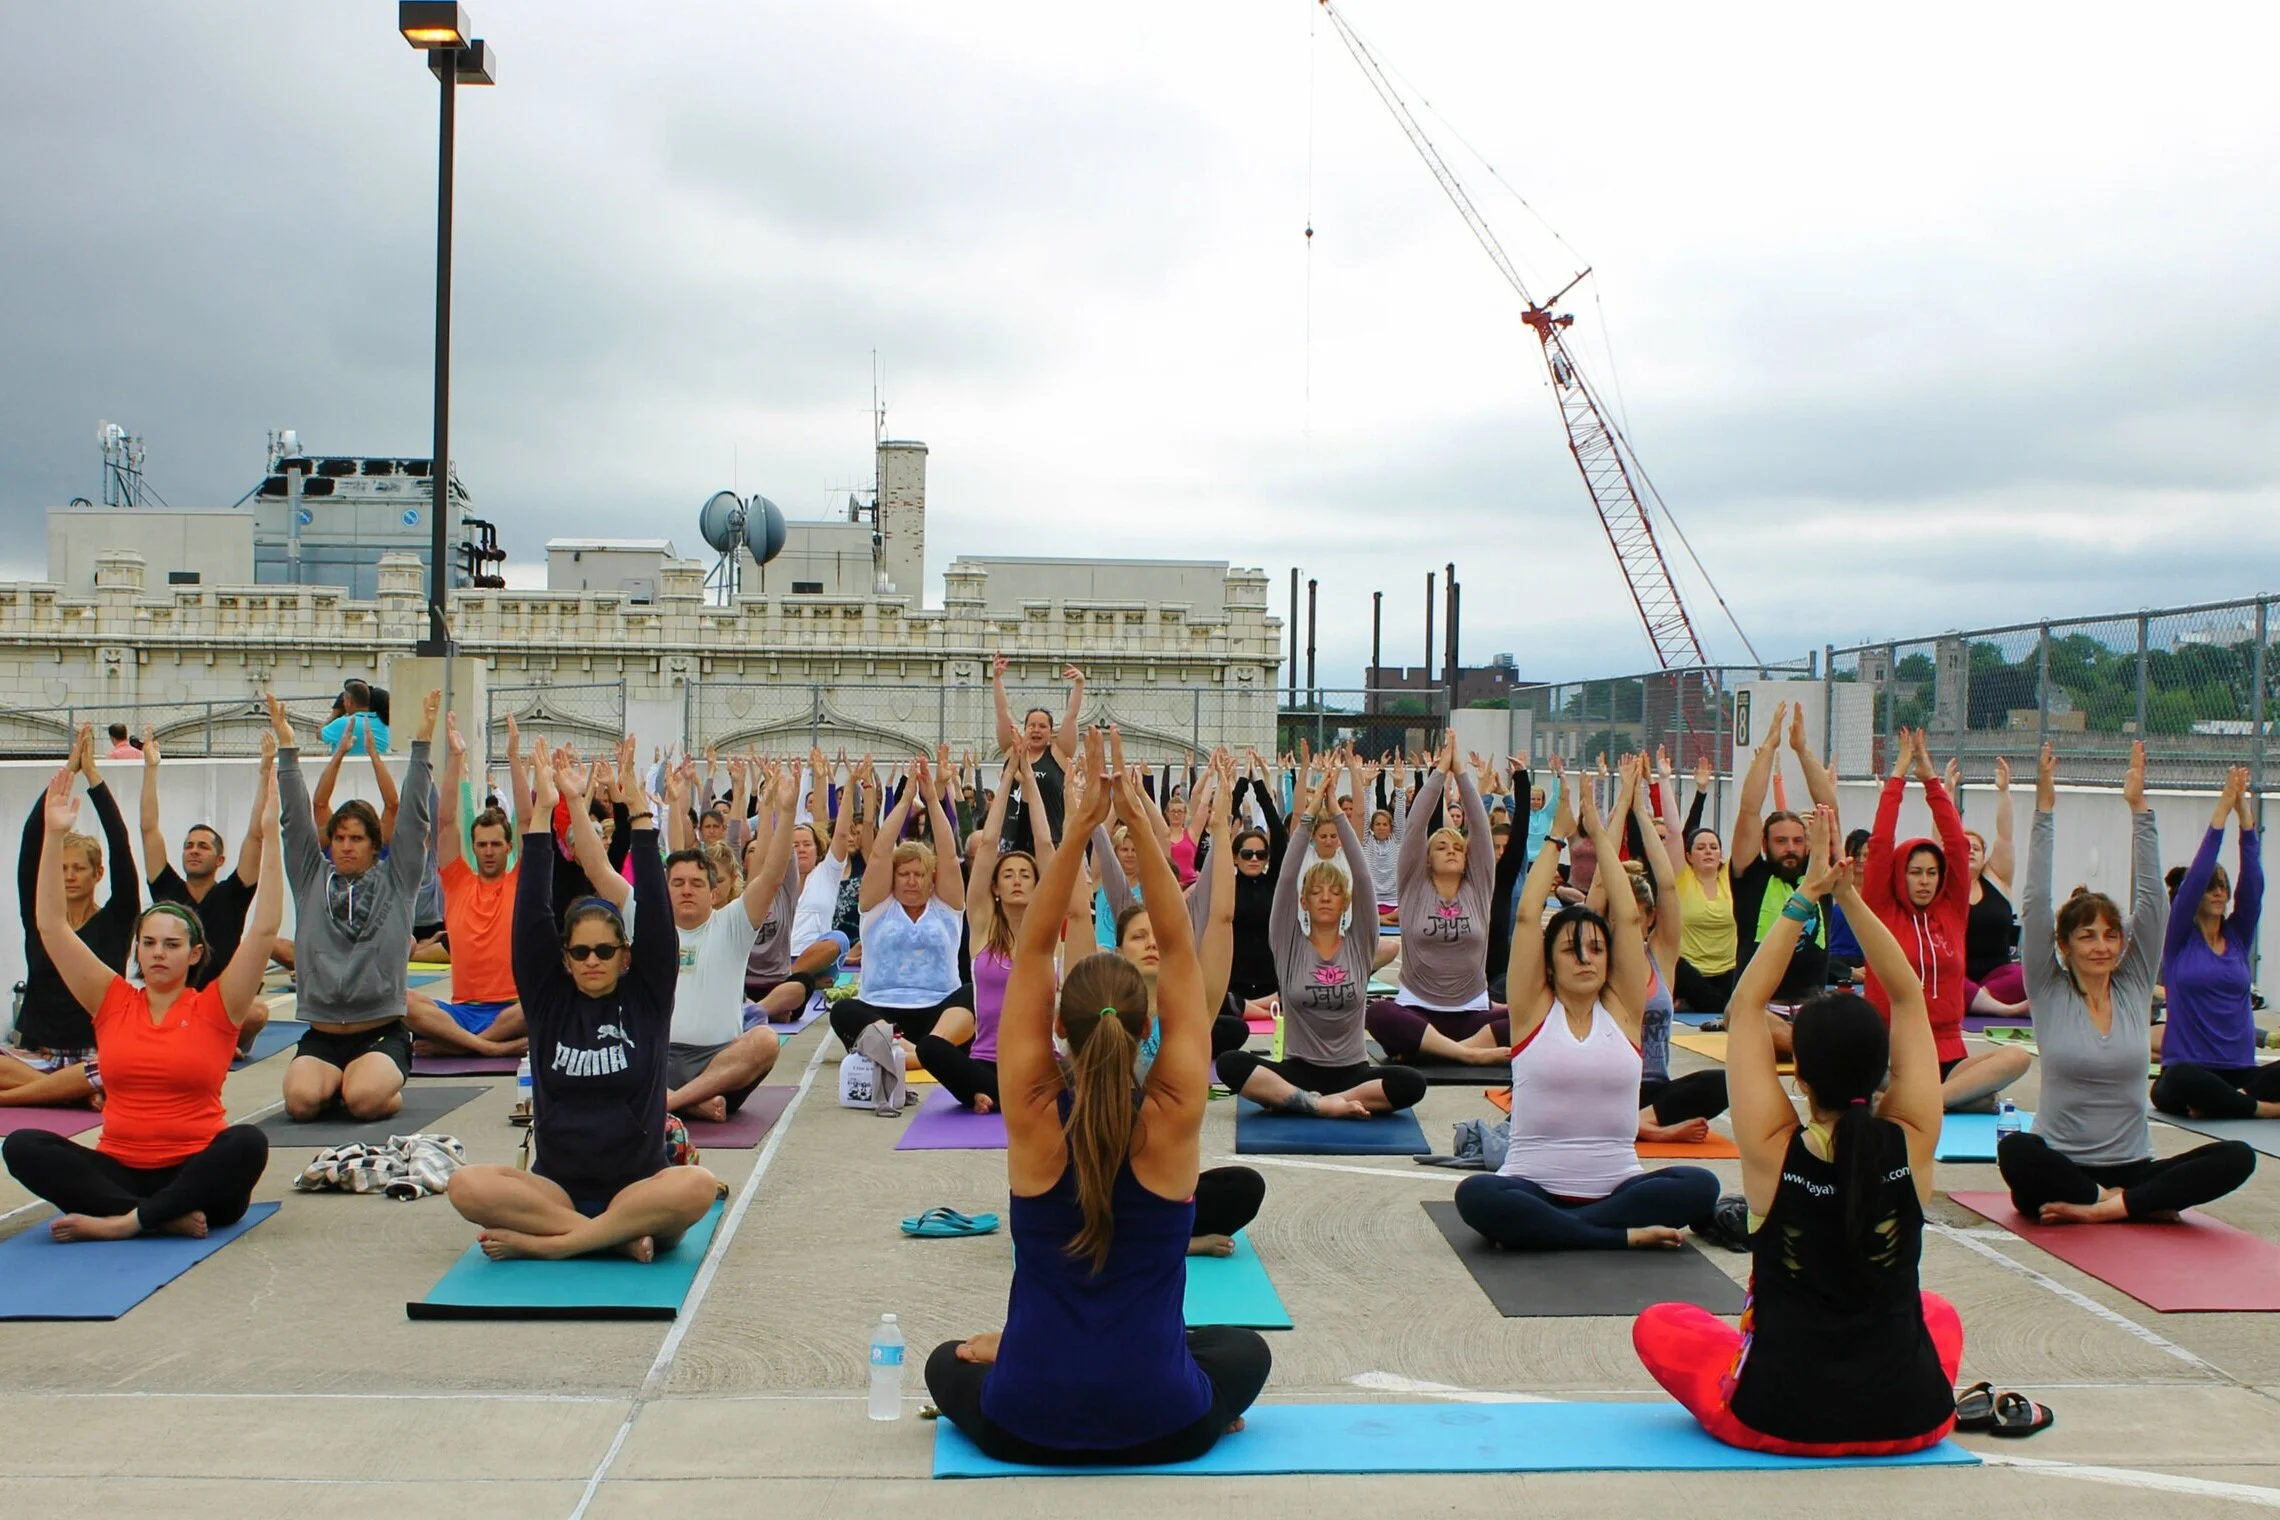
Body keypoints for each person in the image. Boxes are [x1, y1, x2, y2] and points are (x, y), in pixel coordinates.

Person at [926, 728, 1270, 1466]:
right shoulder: (1176, 1112)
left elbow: (1035, 948)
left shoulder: (1029, 1106)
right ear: (1150, 1024)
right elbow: (1180, 950)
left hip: (1028, 1418)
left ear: (1059, 1025)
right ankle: (1179, 1389)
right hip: (1160, 1418)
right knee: (1241, 1352)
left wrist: (1078, 830)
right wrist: (1143, 831)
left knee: (946, 1359)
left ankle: (1021, 1347)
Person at [1634, 803, 1966, 1455]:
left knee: (1662, 1324)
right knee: (1939, 1315)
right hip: (1911, 1418)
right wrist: (1848, 898)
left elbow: (1745, 1004)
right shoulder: (1913, 1133)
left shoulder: (1772, 1149)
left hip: (1776, 1418)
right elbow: (1904, 995)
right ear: (1882, 1075)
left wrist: (1805, 901)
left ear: (1800, 1079)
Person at [442, 750, 719, 1262]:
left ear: (625, 956)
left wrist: (640, 815)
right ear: (565, 958)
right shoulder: (549, 1000)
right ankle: (611, 1239)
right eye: (580, 951)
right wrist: (543, 814)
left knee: (697, 1185)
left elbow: (657, 917)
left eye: (605, 951)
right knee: (466, 1185)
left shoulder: (648, 996)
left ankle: (558, 1245)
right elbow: (531, 917)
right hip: (557, 1191)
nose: (593, 960)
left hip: (637, 1188)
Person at [3, 761, 279, 1241]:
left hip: (199, 1172)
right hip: (120, 1171)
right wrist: (52, 835)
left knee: (247, 1143)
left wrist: (272, 835)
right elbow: (50, 925)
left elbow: (265, 927)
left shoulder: (218, 1005)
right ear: (137, 948)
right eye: (148, 943)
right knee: (24, 1145)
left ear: (194, 954)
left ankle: (127, 1222)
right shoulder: (112, 1000)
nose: (157, 954)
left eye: (171, 945)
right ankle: (155, 1215)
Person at [1453, 759, 1719, 1250]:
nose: (1585, 958)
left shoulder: (1623, 1014)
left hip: (1617, 1188)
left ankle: (1574, 1233)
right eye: (1571, 950)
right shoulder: (1533, 1010)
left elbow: (1628, 917)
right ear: (1549, 965)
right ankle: (1613, 1237)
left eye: (1596, 949)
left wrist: (1600, 831)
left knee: (1702, 1186)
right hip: (1531, 1187)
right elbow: (1530, 916)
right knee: (1477, 1194)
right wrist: (1556, 837)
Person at [1998, 742, 2255, 1222]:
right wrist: (2045, 809)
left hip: (2136, 1168)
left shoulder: (2134, 985)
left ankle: (2108, 1207)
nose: (2102, 946)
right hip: (2064, 1167)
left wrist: (2140, 809)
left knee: (2238, 1156)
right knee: (2016, 1152)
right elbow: (2034, 902)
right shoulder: (2050, 989)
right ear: (2065, 946)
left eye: (2111, 935)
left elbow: (2154, 903)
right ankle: (2107, 1201)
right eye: (2088, 936)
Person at [1217, 748, 1426, 1119]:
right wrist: (1311, 814)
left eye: (1333, 892)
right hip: (1299, 1068)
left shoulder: (1360, 945)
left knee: (1412, 1084)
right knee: (1232, 1065)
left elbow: (1362, 878)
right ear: (1305, 901)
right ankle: (1317, 1104)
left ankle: (1316, 1100)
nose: (1326, 898)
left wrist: (1340, 816)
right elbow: (1284, 878)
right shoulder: (1289, 943)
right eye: (1317, 892)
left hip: (1353, 1071)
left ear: (1345, 902)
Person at [274, 689, 436, 1123]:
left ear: (373, 844)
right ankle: (335, 1083)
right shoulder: (312, 879)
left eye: (357, 838)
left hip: (380, 1031)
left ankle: (372, 1084)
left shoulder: (395, 878)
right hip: (322, 1034)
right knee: (301, 1104)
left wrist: (421, 744)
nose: (346, 846)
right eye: (339, 837)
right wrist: (287, 748)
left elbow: (412, 811)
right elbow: (296, 819)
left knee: (364, 1103)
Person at [1861, 729, 2032, 1112]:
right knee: (1842, 1063)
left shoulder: (1951, 913)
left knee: (2017, 1058)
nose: (1924, 881)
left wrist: (1931, 779)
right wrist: (1901, 773)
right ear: (1899, 874)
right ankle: (1958, 1099)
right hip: (1892, 1057)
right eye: (1915, 872)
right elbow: (1880, 843)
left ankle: (1917, 1103)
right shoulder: (1882, 911)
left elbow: (1956, 844)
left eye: (1932, 873)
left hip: (1948, 1053)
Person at [613, 757, 791, 1120]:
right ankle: (692, 1103)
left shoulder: (732, 923)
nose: (687, 890)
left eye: (697, 884)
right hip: (658, 1056)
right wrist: (585, 802)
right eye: (677, 884)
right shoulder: (648, 920)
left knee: (765, 1041)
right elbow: (598, 868)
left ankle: (671, 1102)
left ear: (714, 892)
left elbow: (771, 875)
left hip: (718, 1065)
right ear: (665, 890)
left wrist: (783, 812)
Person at [4, 724, 137, 1109]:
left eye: (78, 868)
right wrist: (67, 773)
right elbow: (32, 845)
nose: (68, 875)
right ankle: (73, 1094)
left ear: (97, 874)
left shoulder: (117, 918)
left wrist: (94, 777)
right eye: (61, 867)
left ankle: (62, 1091)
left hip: (96, 1057)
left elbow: (121, 845)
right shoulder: (40, 919)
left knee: (117, 1076)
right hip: (38, 1057)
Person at [914, 751, 1052, 1113]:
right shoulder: (984, 930)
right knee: (929, 1047)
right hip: (988, 1060)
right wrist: (1007, 778)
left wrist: (1031, 785)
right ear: (995, 887)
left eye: (1026, 875)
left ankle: (985, 1094)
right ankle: (992, 1091)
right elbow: (988, 845)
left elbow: (1047, 845)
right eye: (1009, 875)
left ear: (1039, 886)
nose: (1018, 880)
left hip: (1040, 1062)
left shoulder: (1050, 935)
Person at [1365, 733, 1505, 1068]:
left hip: (1472, 1014)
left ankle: (1436, 1049)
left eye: (1457, 847)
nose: (1452, 851)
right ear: (1427, 859)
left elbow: (1482, 835)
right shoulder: (1415, 887)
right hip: (1418, 1012)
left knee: (1533, 1017)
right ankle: (1465, 1054)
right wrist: (1440, 772)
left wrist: (1463, 775)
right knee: (1379, 1013)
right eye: (1442, 847)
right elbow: (1414, 828)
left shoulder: (1478, 887)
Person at [1609, 763, 1730, 1141]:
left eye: (1635, 916)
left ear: (1649, 919)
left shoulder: (1659, 955)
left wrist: (1643, 812)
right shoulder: (1593, 957)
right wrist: (1623, 806)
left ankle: (1642, 1121)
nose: (1627, 923)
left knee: (1726, 1081)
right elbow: (1602, 879)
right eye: (1619, 915)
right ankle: (1643, 1127)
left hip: (1655, 1091)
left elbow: (1668, 884)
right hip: (1606, 1087)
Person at [139, 728, 274, 1058]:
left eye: (202, 846)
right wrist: (151, 768)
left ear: (220, 859)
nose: (194, 851)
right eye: (188, 846)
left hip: (219, 1003)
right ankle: (210, 1045)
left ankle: (223, 1042)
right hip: (172, 1001)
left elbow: (256, 838)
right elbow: (149, 829)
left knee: (257, 1013)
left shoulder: (233, 893)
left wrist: (265, 771)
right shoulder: (167, 889)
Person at [2151, 767, 2272, 1121]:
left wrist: (2245, 817)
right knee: (2177, 1083)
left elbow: (2253, 885)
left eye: (2223, 886)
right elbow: (2198, 874)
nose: (2219, 891)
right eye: (2211, 886)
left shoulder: (2237, 937)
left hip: (2240, 1071)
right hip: (2188, 1071)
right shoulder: (2178, 940)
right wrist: (2221, 812)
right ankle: (2261, 1110)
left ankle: (2226, 1102)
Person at [403, 713, 528, 1057]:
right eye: (482, 844)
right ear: (473, 847)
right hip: (459, 1012)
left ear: (508, 847)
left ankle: (458, 1046)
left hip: (511, 1010)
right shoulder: (457, 881)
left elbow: (528, 820)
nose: (489, 851)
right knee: (398, 1000)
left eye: (496, 844)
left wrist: (515, 758)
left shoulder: (520, 881)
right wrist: (456, 758)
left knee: (548, 999)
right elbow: (444, 822)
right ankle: (488, 1047)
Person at [828, 755, 971, 1051]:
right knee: (844, 1012)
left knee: (974, 994)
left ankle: (910, 1052)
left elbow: (947, 853)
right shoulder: (878, 906)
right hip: (882, 1010)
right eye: (903, 874)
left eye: (919, 874)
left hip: (939, 1011)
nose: (911, 881)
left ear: (931, 879)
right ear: (892, 878)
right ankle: (922, 1053)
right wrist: (906, 799)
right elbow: (880, 853)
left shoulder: (946, 905)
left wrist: (932, 799)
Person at [1724, 701, 1840, 1053]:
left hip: (1813, 1008)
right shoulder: (1750, 875)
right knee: (1737, 1013)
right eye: (1780, 841)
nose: (1790, 848)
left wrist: (1802, 751)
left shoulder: (1819, 875)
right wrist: (1770, 746)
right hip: (1764, 1011)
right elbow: (1749, 808)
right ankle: (1808, 1051)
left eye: (1797, 841)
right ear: (1765, 844)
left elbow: (1829, 808)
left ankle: (1808, 1048)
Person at [992, 655, 1083, 858]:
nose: (1036, 730)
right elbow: (1002, 713)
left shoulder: (1058, 754)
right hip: (1012, 839)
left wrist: (1079, 685)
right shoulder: (1011, 752)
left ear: (1051, 732)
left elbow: (1071, 716)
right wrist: (997, 679)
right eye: (1031, 725)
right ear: (1024, 730)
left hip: (1049, 839)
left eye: (1042, 726)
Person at [1959, 757, 2029, 1016]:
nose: (1970, 852)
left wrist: (2003, 792)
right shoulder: (1944, 884)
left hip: (1998, 976)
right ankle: (2000, 1009)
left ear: (1985, 856)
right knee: (1939, 980)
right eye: (1964, 847)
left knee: (2027, 975)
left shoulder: (1997, 879)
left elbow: (2005, 835)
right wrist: (1944, 790)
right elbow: (1940, 837)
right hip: (1957, 974)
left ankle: (1981, 1000)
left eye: (1976, 848)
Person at [1673, 757, 1738, 1014]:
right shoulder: (1683, 878)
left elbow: (1753, 837)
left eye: (1714, 847)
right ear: (1689, 856)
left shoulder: (1730, 877)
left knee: (1739, 995)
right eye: (1700, 848)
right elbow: (1681, 834)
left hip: (1728, 969)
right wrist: (1700, 792)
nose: (1708, 852)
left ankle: (1695, 1004)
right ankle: (1702, 1000)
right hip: (1689, 970)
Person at [319, 678, 390, 752]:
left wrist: (334, 715)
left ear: (349, 701)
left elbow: (319, 734)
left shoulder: (342, 723)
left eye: (344, 700)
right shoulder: (384, 726)